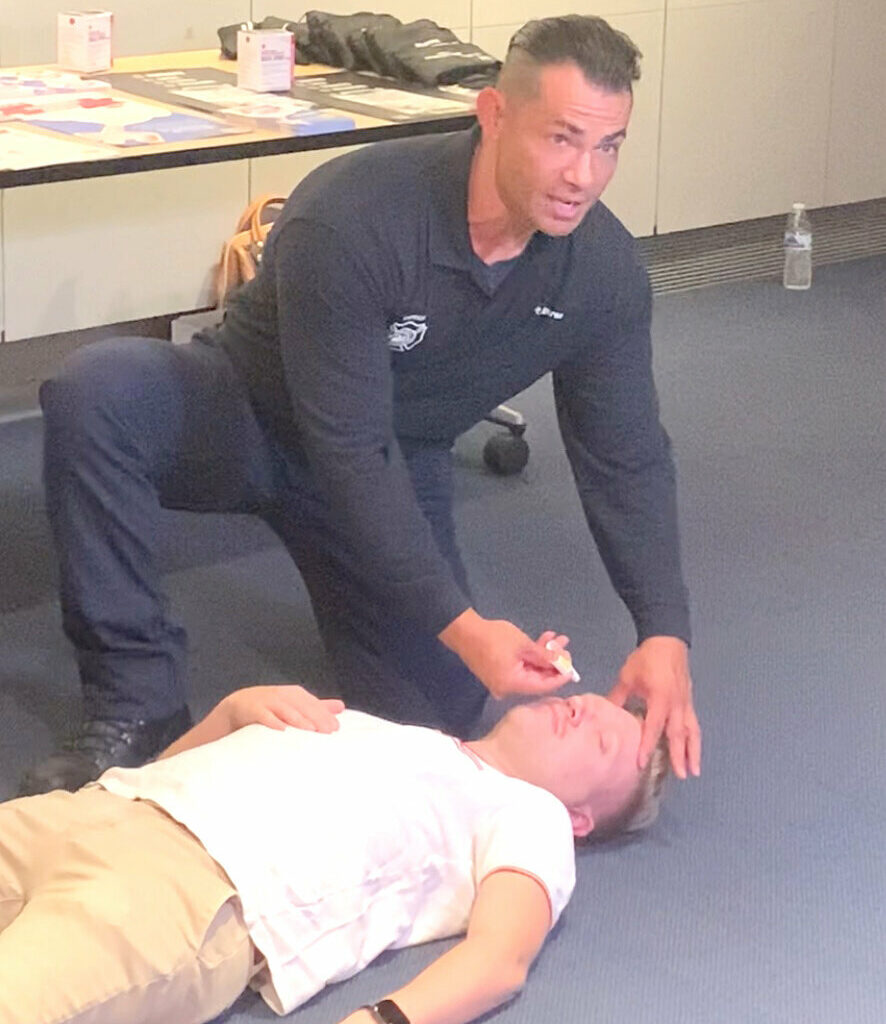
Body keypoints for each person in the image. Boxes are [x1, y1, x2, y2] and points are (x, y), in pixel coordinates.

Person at [22, 14, 701, 797]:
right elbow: (346, 445)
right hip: (247, 412)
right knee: (98, 393)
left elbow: (626, 456)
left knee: (438, 717)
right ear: (494, 114)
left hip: (394, 459)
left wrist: (664, 627)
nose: (583, 174)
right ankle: (134, 702)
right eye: (561, 138)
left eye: (607, 146)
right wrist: (465, 623)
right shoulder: (356, 214)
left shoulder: (602, 272)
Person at [0, 660, 671, 1024]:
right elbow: (177, 767)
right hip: (102, 809)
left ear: (581, 818)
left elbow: (501, 959)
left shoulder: (530, 813)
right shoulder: (396, 732)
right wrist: (232, 714)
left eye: (603, 738)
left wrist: (385, 1023)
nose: (581, 709)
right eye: (588, 705)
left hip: (191, 897)